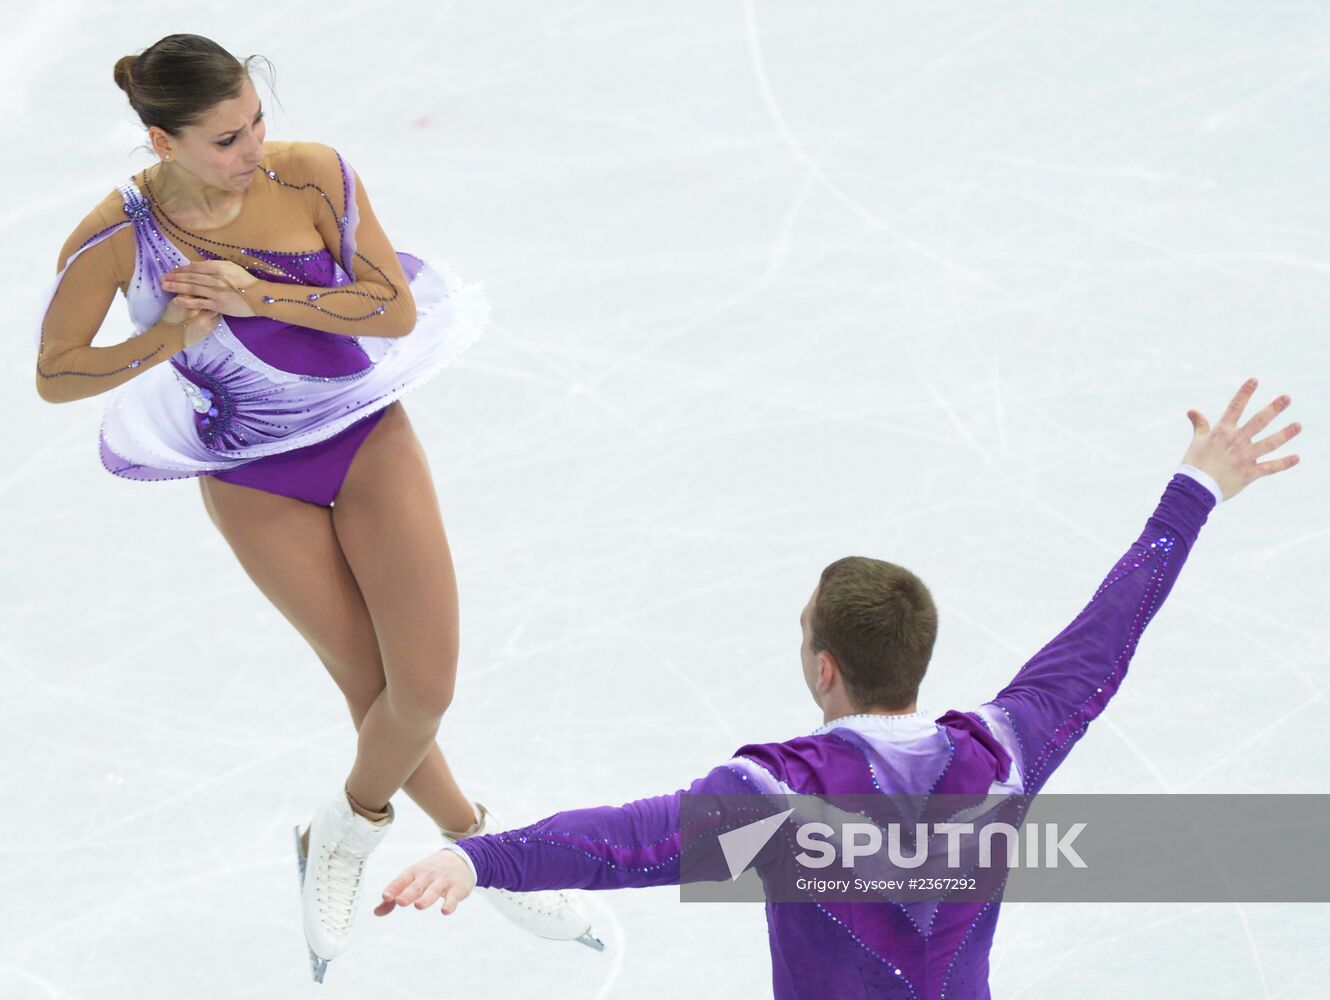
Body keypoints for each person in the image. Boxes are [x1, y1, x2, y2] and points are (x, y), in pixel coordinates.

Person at [376, 378, 1301, 998]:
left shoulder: (779, 800)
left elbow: (620, 845)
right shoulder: (1004, 755)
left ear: (825, 668)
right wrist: (1196, 488)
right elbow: (1105, 636)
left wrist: (479, 858)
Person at [33, 33, 601, 981]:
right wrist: (167, 333)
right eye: (223, 138)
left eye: (256, 121)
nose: (251, 146)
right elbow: (56, 374)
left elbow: (392, 309)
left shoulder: (313, 179)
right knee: (370, 685)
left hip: (367, 439)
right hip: (255, 479)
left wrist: (258, 293)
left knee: (422, 688)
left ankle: (341, 832)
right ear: (159, 140)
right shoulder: (117, 237)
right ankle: (484, 850)